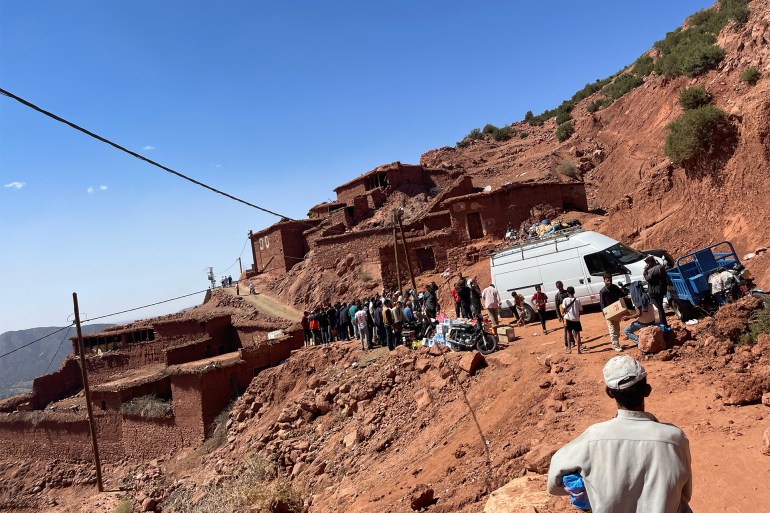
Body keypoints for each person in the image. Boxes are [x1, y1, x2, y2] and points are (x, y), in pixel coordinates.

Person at [547, 355, 692, 513]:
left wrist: (589, 487)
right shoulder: (675, 439)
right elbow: (685, 493)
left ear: (609, 393)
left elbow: (554, 484)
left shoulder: (593, 437)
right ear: (647, 390)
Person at [599, 274, 626, 352]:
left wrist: (624, 289)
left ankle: (617, 343)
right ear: (604, 281)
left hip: (616, 310)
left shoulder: (615, 287)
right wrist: (604, 312)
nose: (609, 281)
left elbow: (622, 294)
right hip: (609, 311)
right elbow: (602, 302)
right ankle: (615, 345)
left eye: (610, 280)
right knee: (612, 328)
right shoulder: (603, 291)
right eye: (607, 280)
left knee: (617, 328)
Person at [643, 256, 668, 326]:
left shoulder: (652, 270)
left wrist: (645, 271)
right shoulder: (661, 267)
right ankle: (664, 324)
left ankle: (663, 324)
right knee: (660, 308)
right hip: (661, 291)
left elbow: (648, 278)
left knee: (659, 309)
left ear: (650, 262)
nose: (647, 264)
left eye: (647, 263)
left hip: (654, 292)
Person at [561, 287, 583, 353]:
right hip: (576, 319)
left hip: (569, 319)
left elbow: (563, 310)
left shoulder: (565, 300)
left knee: (569, 333)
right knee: (577, 334)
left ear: (567, 293)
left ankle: (569, 349)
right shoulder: (577, 300)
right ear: (574, 292)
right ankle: (578, 350)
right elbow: (581, 310)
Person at [554, 281, 569, 351]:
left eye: (561, 286)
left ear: (563, 285)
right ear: (557, 287)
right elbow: (557, 307)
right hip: (563, 315)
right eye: (558, 286)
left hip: (570, 313)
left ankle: (573, 342)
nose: (560, 287)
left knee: (573, 328)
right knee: (566, 328)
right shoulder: (557, 296)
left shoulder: (567, 292)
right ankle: (566, 343)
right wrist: (558, 316)